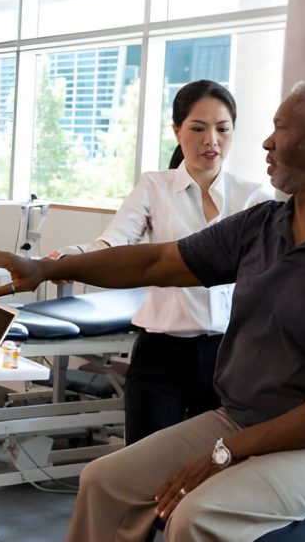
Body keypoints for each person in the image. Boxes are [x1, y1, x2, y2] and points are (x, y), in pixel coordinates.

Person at [0, 80, 305, 542]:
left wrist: (231, 450)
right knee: (104, 481)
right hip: (243, 417)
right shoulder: (263, 225)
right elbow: (157, 261)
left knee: (195, 514)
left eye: (280, 128)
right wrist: (43, 267)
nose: (265, 141)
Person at [48, 79, 270, 444]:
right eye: (197, 128)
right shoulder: (154, 187)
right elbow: (114, 241)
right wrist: (72, 259)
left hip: (229, 354)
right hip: (162, 351)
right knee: (143, 458)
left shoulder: (253, 197)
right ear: (177, 130)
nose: (210, 140)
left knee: (213, 464)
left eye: (222, 129)